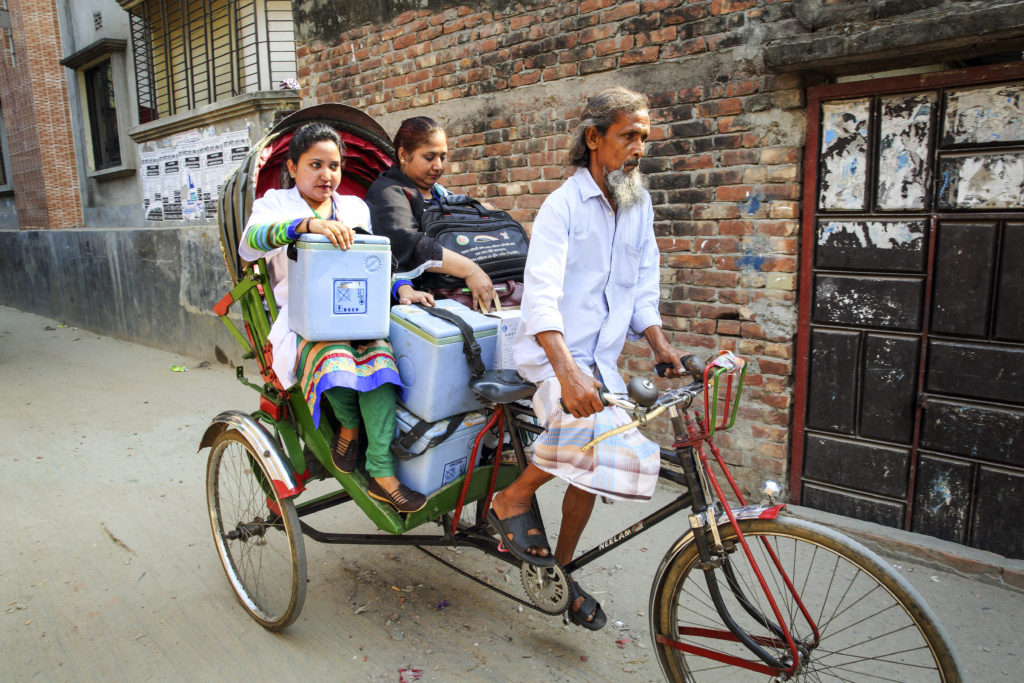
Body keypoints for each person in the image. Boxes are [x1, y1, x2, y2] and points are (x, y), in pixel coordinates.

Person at [488, 87, 687, 630]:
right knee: (592, 433)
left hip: (601, 359)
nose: (639, 148)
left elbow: (643, 284)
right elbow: (541, 299)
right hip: (554, 357)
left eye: (644, 136)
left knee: (592, 468)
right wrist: (567, 373)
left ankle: (562, 569)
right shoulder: (562, 207)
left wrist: (659, 342)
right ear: (595, 139)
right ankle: (512, 497)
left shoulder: (637, 203)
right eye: (629, 136)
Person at [238, 121, 432, 513]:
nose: (327, 175)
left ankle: (380, 470)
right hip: (301, 318)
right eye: (315, 165)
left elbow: (374, 259)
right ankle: (348, 424)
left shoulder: (355, 208)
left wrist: (400, 288)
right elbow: (248, 245)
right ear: (292, 167)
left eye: (334, 166)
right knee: (338, 356)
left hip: (356, 308)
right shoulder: (275, 203)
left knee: (381, 361)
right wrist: (305, 226)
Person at [364, 116, 497, 311]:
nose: (438, 166)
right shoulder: (388, 193)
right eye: (429, 157)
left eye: (442, 157)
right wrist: (471, 270)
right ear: (403, 155)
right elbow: (408, 241)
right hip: (417, 304)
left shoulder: (440, 193)